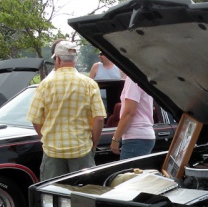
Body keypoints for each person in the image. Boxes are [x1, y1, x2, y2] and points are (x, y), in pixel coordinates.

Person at [27, 40, 107, 180]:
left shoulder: (45, 84)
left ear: (57, 59)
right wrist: (93, 144)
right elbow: (99, 118)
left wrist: (45, 139)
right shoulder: (89, 84)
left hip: (53, 152)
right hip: (81, 150)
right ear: (76, 60)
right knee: (83, 196)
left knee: (52, 196)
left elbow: (35, 118)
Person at [110, 77, 156, 160]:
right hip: (141, 135)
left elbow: (129, 112)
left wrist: (115, 138)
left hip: (136, 137)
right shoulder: (142, 76)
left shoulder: (132, 79)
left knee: (129, 172)